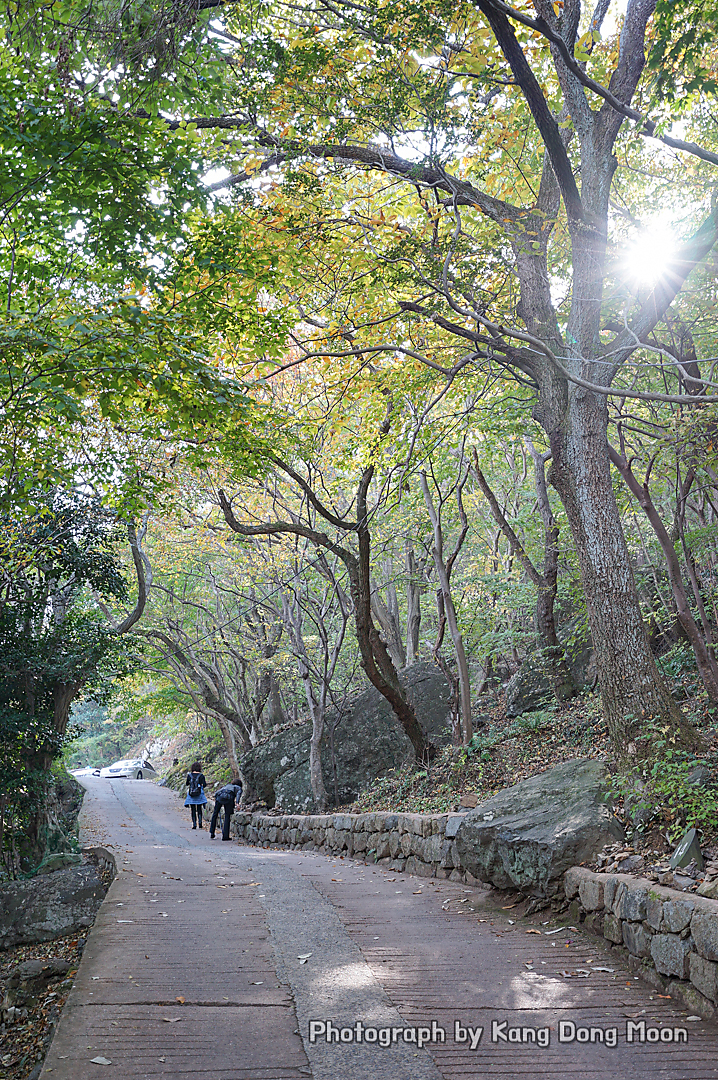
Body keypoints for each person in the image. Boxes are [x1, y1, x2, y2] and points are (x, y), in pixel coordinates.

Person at [184, 762, 208, 829]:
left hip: (191, 794)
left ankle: (194, 824)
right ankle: (200, 823)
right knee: (199, 809)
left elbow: (187, 783)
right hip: (199, 794)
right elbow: (205, 784)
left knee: (193, 809)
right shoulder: (201, 776)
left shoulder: (189, 775)